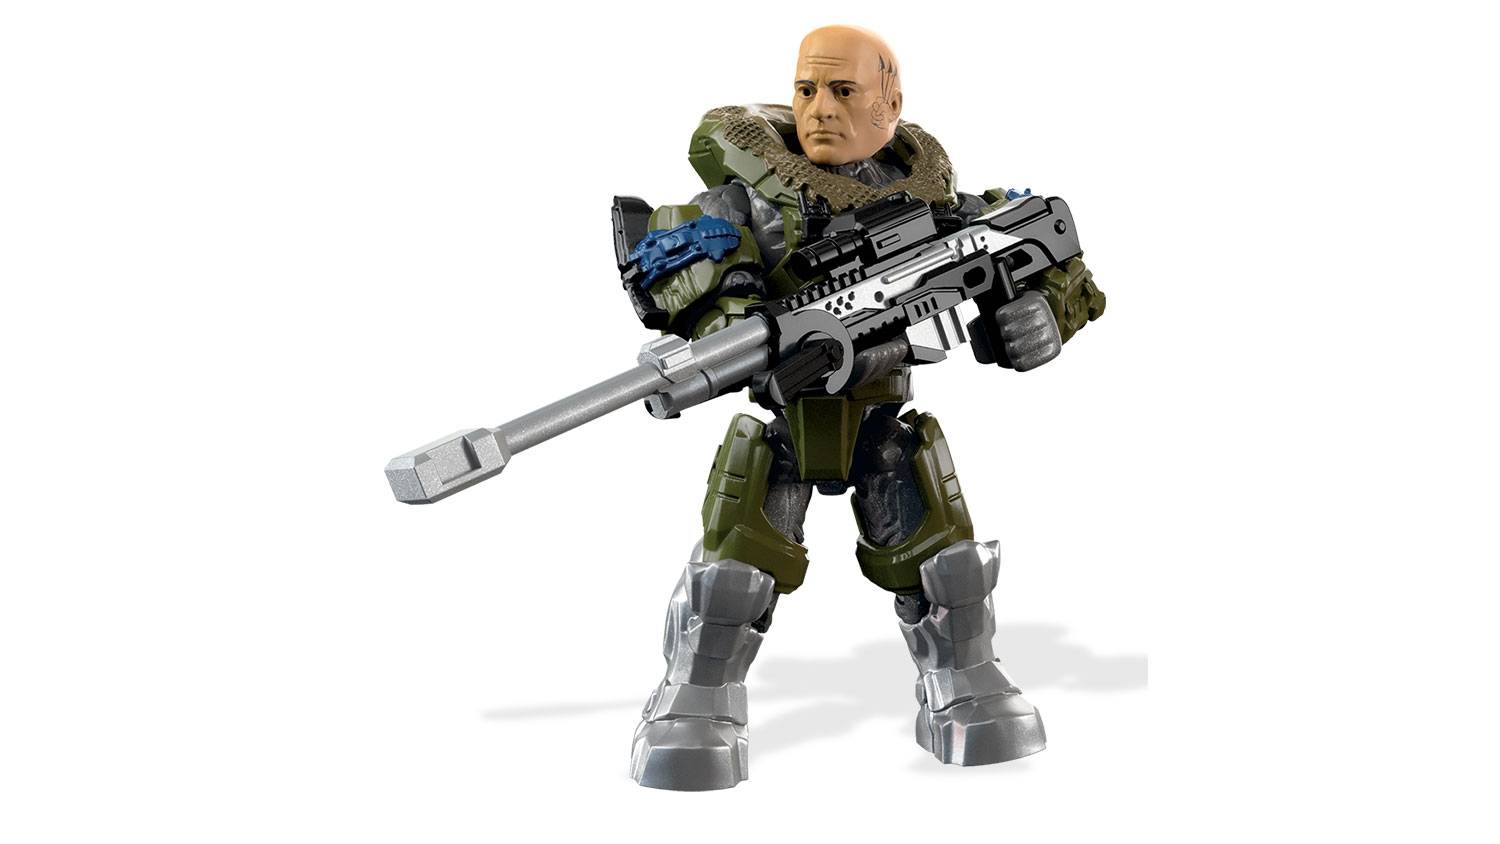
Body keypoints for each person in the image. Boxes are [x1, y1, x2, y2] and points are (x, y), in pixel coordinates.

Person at [620, 25, 1105, 791]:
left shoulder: (931, 200)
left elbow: (1047, 245)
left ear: (890, 103)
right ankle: (697, 697)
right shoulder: (747, 200)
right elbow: (691, 265)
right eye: (806, 88)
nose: (820, 108)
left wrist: (1043, 310)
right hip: (789, 416)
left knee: (945, 562)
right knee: (734, 571)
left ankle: (966, 683)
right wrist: (722, 325)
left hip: (881, 416)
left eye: (844, 91)